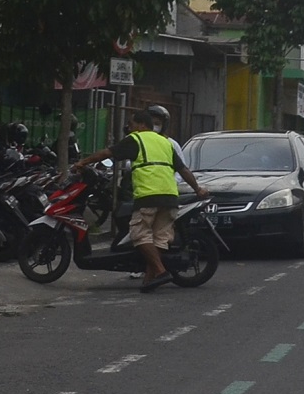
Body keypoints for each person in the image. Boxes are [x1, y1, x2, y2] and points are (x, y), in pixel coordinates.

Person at [74, 108, 209, 292]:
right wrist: (197, 189)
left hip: (149, 195)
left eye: (131, 124)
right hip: (170, 196)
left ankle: (161, 272)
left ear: (142, 125)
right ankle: (149, 279)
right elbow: (183, 169)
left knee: (139, 235)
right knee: (159, 239)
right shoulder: (165, 142)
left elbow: (107, 154)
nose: (129, 128)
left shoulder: (136, 139)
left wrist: (83, 162)